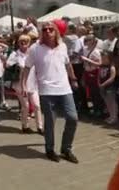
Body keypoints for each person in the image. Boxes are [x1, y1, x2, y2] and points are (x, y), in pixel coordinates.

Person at [20, 21, 79, 164]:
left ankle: (66, 149)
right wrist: (23, 85)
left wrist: (73, 79)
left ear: (56, 31)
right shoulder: (35, 48)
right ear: (41, 32)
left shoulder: (63, 46)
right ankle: (50, 149)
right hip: (46, 91)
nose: (47, 31)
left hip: (65, 89)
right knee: (50, 123)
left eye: (50, 29)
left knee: (73, 118)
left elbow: (67, 64)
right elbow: (27, 68)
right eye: (44, 29)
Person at [7, 34, 43, 134]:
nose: (23, 44)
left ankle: (40, 127)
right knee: (26, 106)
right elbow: (7, 65)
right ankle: (25, 126)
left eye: (26, 42)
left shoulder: (32, 53)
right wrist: (16, 65)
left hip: (33, 83)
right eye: (21, 42)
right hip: (20, 84)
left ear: (29, 43)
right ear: (18, 43)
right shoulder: (15, 54)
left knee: (37, 105)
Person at [64, 24, 85, 115]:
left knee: (76, 85)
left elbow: (75, 53)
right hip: (75, 64)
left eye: (67, 29)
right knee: (76, 86)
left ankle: (79, 105)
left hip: (76, 65)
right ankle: (78, 105)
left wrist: (66, 60)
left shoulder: (74, 38)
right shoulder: (76, 38)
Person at [82, 34, 102, 116]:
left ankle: (98, 109)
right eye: (85, 40)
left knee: (96, 92)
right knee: (90, 92)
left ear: (92, 41)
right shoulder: (85, 50)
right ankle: (94, 108)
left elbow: (99, 63)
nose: (86, 42)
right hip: (87, 71)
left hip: (94, 72)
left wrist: (87, 60)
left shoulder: (96, 51)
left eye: (88, 40)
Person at [98, 52, 118, 124]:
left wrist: (103, 84)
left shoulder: (112, 67)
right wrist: (99, 83)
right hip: (102, 87)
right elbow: (99, 76)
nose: (103, 60)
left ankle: (114, 117)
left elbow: (112, 77)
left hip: (110, 87)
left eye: (105, 58)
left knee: (112, 102)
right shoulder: (101, 66)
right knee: (107, 103)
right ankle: (110, 116)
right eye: (102, 58)